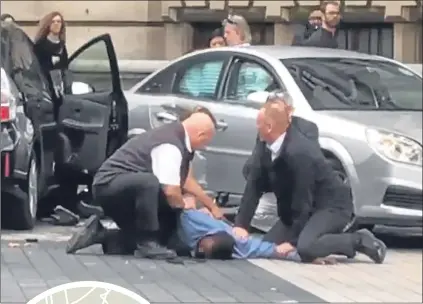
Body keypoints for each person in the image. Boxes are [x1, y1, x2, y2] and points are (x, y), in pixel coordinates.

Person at [233, 91, 387, 264]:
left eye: (258, 124)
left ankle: (358, 239)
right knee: (269, 246)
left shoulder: (300, 151)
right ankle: (313, 240)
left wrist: (293, 243)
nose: (256, 127)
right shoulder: (265, 141)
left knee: (306, 248)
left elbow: (303, 198)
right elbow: (254, 184)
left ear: (269, 126)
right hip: (297, 209)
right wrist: (241, 225)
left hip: (329, 206)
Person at [68, 107, 223, 259]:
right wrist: (188, 212)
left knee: (166, 234)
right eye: (206, 141)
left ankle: (103, 236)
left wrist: (211, 206)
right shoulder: (170, 145)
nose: (205, 146)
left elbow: (186, 181)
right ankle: (147, 242)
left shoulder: (180, 140)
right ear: (201, 134)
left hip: (130, 189)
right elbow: (171, 191)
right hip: (110, 186)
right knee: (150, 184)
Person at [33, 11, 70, 101]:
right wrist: (51, 61)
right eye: (53, 21)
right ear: (48, 24)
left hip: (61, 86)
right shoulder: (40, 44)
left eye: (59, 21)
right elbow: (37, 66)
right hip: (46, 87)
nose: (56, 24)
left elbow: (65, 65)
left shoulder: (62, 45)